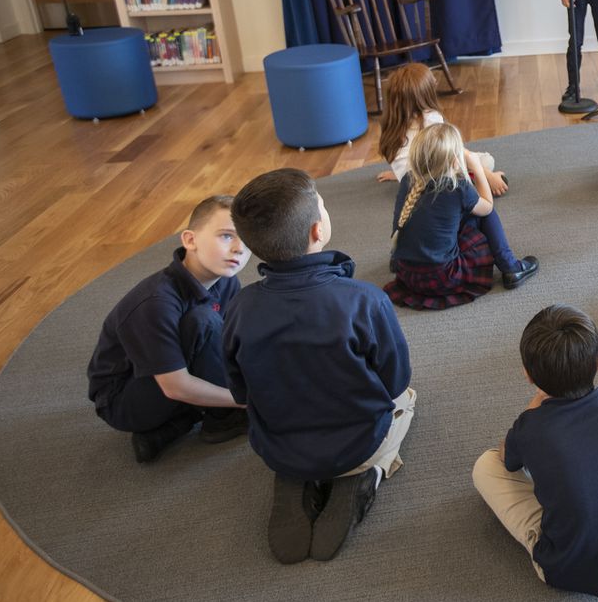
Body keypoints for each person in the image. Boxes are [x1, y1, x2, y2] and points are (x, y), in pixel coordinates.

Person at [225, 168, 415, 564]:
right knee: (408, 400)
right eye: (324, 207)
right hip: (356, 442)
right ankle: (366, 475)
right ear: (317, 231)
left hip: (279, 446)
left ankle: (296, 476)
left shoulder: (239, 308)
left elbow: (240, 391)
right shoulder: (365, 300)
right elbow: (396, 381)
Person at [472, 305, 598, 597]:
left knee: (484, 467)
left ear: (528, 375)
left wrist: (531, 410)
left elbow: (506, 460)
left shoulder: (530, 427)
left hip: (564, 567)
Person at [87, 195, 250, 463]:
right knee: (203, 321)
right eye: (226, 236)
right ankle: (217, 418)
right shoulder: (155, 302)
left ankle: (181, 420)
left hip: (171, 375)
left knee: (220, 331)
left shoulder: (226, 281)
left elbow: (233, 342)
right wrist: (244, 399)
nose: (239, 249)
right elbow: (175, 386)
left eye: (247, 241)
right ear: (190, 240)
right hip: (124, 399)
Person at [384, 122, 538, 309]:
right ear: (455, 161)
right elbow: (487, 207)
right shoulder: (457, 186)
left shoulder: (408, 180)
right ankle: (511, 267)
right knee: (484, 213)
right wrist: (477, 167)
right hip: (443, 277)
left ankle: (509, 266)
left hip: (407, 275)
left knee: (450, 215)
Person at [375, 62, 506, 195]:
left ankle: (464, 182)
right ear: (423, 95)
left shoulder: (392, 124)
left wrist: (399, 174)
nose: (436, 81)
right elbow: (454, 153)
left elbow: (408, 158)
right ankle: (470, 183)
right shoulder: (430, 119)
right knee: (487, 160)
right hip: (435, 182)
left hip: (410, 186)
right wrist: (488, 175)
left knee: (436, 160)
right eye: (432, 82)